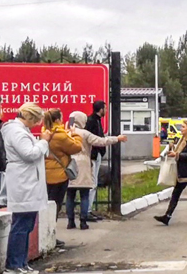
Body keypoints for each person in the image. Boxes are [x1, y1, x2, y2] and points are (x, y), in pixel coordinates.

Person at [1, 103, 51, 274]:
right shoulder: (16, 131)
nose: (37, 124)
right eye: (36, 120)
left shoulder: (20, 131)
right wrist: (44, 141)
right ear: (30, 118)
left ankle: (21, 262)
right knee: (21, 225)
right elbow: (29, 154)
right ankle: (13, 264)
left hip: (27, 181)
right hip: (23, 182)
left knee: (27, 224)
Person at [67, 111, 126, 230]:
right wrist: (117, 139)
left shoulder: (66, 133)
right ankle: (83, 221)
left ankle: (70, 221)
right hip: (83, 164)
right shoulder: (84, 134)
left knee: (70, 195)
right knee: (84, 194)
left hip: (69, 164)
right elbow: (101, 141)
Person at [44, 109, 83, 247]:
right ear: (57, 120)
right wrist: (74, 134)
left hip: (47, 174)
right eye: (60, 118)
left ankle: (46, 235)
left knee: (47, 205)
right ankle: (50, 236)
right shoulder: (60, 136)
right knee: (55, 206)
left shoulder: (45, 133)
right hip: (59, 175)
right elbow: (76, 147)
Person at [84, 101, 107, 222]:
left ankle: (89, 209)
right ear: (100, 109)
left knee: (94, 182)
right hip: (92, 156)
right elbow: (92, 139)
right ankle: (87, 211)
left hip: (96, 154)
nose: (106, 111)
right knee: (92, 183)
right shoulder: (92, 121)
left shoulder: (97, 120)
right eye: (105, 108)